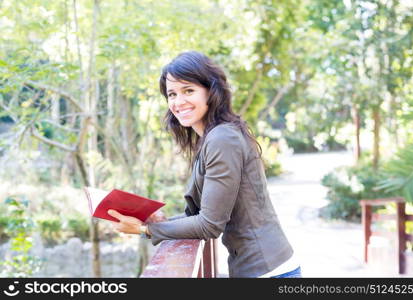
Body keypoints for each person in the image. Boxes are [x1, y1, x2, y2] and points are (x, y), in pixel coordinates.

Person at [107, 51, 301, 278]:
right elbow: (203, 214)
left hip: (268, 271)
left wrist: (144, 229)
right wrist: (161, 221)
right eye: (172, 94)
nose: (178, 102)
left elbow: (209, 224)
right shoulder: (212, 138)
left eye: (188, 91)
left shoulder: (222, 139)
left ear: (211, 91)